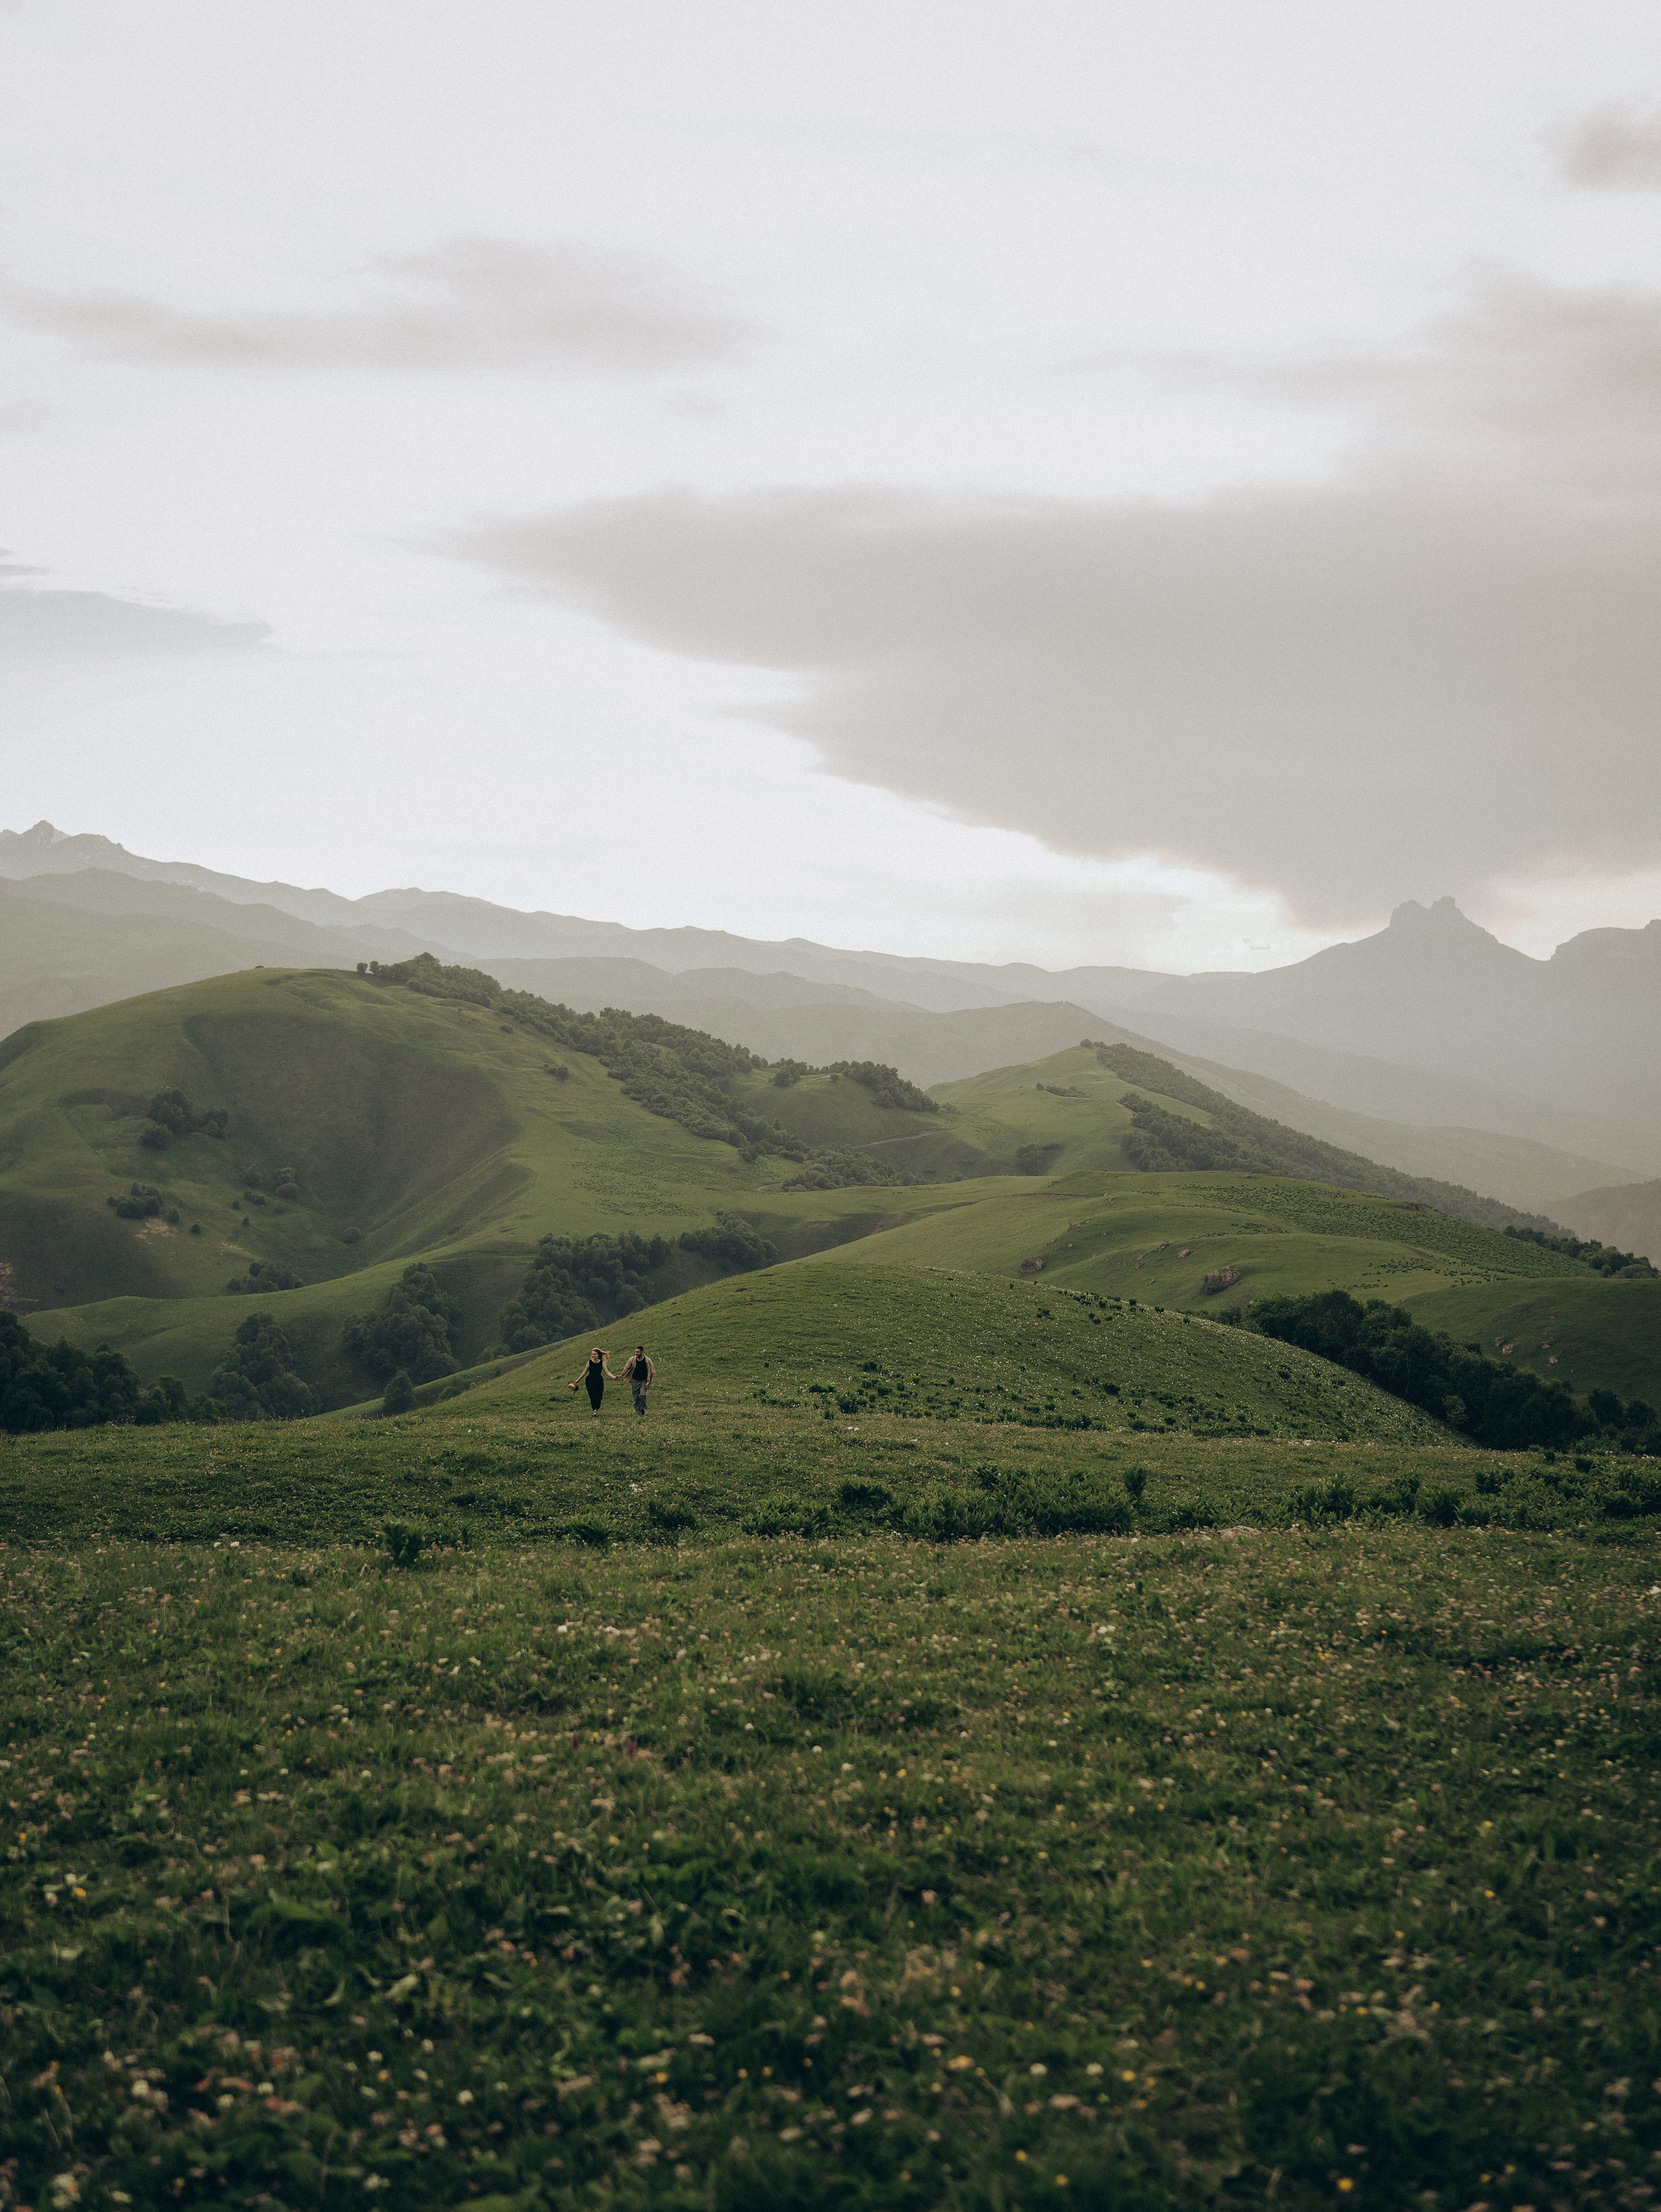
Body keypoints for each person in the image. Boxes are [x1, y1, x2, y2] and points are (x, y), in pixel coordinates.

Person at [569, 1346, 617, 1414]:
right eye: (592, 1354)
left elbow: (607, 1372)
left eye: (594, 1354)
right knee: (592, 1395)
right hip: (590, 1381)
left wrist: (614, 1377)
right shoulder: (589, 1362)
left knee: (599, 1395)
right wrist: (578, 1380)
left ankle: (597, 1408)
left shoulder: (601, 1363)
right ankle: (594, 1410)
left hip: (599, 1381)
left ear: (598, 1355)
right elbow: (584, 1371)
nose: (593, 1356)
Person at [622, 1344, 654, 1416]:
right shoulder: (632, 1359)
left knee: (642, 1395)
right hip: (635, 1380)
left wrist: (649, 1382)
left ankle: (642, 1407)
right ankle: (638, 1411)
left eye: (638, 1352)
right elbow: (627, 1368)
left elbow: (652, 1371)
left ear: (642, 1352)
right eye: (636, 1352)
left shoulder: (648, 1360)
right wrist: (621, 1375)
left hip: (644, 1380)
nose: (636, 1353)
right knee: (636, 1397)